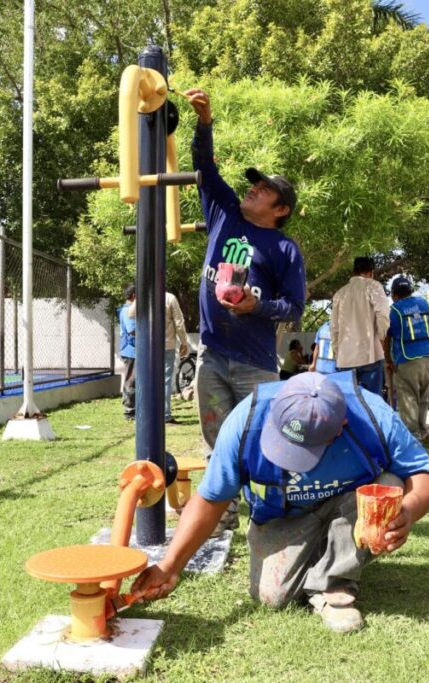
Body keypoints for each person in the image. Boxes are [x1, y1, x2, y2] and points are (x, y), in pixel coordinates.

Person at [129, 372, 429, 633]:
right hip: (283, 516)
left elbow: (424, 475)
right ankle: (319, 555)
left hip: (348, 506)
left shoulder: (371, 415)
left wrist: (408, 512)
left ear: (341, 427)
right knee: (272, 596)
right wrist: (170, 567)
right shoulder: (245, 422)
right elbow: (211, 499)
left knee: (389, 486)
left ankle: (333, 586)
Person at [185, 87, 306, 532]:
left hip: (255, 364)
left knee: (260, 443)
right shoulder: (223, 212)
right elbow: (204, 166)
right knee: (215, 442)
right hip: (211, 353)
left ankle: (269, 519)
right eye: (256, 184)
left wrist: (255, 305)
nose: (254, 188)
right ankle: (221, 521)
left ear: (281, 210)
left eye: (266, 189)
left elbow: (294, 308)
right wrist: (204, 121)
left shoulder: (284, 248)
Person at [385, 277, 429, 438]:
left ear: (394, 294)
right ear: (411, 291)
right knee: (423, 396)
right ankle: (421, 429)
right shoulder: (425, 304)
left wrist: (388, 360)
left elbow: (387, 337)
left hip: (407, 359)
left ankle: (413, 434)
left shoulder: (395, 310)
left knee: (408, 396)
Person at [128, 291, 190, 424]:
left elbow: (131, 314)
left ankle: (144, 414)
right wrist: (184, 342)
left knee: (146, 379)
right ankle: (165, 414)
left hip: (147, 345)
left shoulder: (145, 295)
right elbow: (179, 322)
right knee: (165, 380)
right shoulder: (170, 298)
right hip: (166, 344)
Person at [331, 256, 390, 395]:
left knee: (349, 404)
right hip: (369, 354)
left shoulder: (340, 293)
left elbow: (334, 328)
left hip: (345, 359)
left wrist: (337, 352)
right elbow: (383, 314)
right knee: (373, 403)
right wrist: (381, 337)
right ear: (371, 272)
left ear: (353, 271)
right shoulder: (373, 286)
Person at [118, 283, 137, 421]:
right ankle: (129, 411)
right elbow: (132, 331)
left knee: (134, 380)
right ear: (134, 296)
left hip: (133, 350)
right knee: (131, 380)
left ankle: (133, 409)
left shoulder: (129, 309)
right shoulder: (127, 311)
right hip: (131, 351)